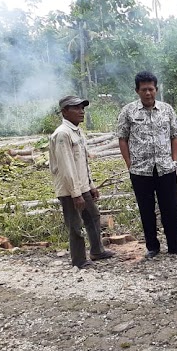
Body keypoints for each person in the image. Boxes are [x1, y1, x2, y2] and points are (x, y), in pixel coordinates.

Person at [117, 71, 177, 258]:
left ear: (156, 90)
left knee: (171, 208)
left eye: (151, 89)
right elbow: (122, 138)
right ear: (137, 91)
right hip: (140, 170)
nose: (148, 93)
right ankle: (152, 246)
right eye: (144, 90)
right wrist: (129, 164)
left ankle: (175, 244)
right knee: (146, 209)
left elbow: (175, 135)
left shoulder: (167, 110)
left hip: (166, 168)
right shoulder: (128, 112)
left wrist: (174, 160)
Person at [49, 96, 114, 268]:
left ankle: (97, 251)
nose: (81, 111)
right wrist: (76, 194)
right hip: (70, 190)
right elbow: (66, 167)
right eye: (76, 108)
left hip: (82, 185)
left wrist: (91, 185)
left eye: (82, 108)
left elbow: (82, 162)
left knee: (93, 217)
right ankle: (78, 260)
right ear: (64, 111)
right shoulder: (62, 134)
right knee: (75, 226)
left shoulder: (77, 132)